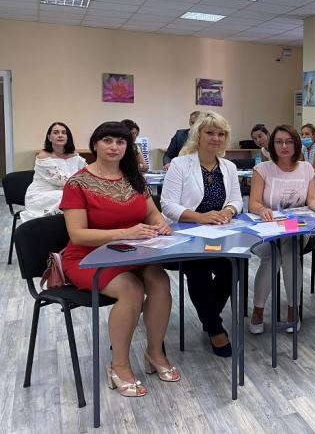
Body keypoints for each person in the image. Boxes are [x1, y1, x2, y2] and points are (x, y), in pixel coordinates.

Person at [61, 121, 180, 399]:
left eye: (121, 142)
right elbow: (77, 235)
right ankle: (119, 365)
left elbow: (152, 213)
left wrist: (160, 224)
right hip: (88, 257)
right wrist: (126, 232)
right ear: (95, 144)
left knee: (160, 282)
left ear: (128, 147)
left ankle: (154, 352)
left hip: (133, 251)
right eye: (108, 140)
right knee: (131, 289)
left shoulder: (134, 178)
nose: (114, 146)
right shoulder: (77, 183)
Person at [160, 111, 244, 357]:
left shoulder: (229, 167)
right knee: (199, 270)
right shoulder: (180, 164)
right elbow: (168, 205)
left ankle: (209, 317)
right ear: (198, 135)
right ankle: (215, 329)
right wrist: (201, 217)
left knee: (234, 267)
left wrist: (228, 210)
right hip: (186, 234)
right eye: (210, 132)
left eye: (221, 134)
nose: (216, 138)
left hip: (219, 233)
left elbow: (237, 200)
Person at [248, 124, 315, 334]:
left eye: (288, 142)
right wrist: (262, 209)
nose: (284, 146)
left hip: (296, 229)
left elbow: (312, 199)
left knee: (289, 248)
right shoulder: (262, 169)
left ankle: (293, 309)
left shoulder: (306, 168)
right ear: (272, 145)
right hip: (266, 230)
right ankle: (258, 310)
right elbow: (253, 203)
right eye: (279, 142)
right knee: (273, 255)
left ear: (296, 144)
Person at [20, 122, 86, 222]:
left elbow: (87, 172)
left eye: (64, 132)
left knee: (81, 197)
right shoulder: (43, 156)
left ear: (68, 137)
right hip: (43, 194)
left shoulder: (74, 155)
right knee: (73, 198)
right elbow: (62, 181)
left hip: (69, 190)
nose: (60, 135)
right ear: (49, 137)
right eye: (56, 132)